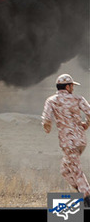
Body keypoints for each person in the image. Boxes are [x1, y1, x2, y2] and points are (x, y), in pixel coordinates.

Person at [42, 74, 90, 206]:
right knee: (65, 170)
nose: (73, 88)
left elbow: (46, 119)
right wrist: (87, 124)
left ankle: (86, 197)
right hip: (80, 140)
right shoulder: (78, 99)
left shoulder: (52, 100)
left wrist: (47, 127)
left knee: (76, 170)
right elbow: (89, 112)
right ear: (67, 86)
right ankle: (82, 192)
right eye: (72, 86)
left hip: (67, 141)